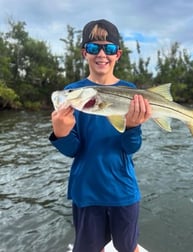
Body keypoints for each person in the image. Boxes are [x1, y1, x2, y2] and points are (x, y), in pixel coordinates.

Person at [49, 19, 152, 252]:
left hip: (123, 189)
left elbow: (131, 147)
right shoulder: (73, 92)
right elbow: (73, 150)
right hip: (87, 191)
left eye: (110, 48)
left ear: (118, 54)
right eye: (94, 48)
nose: (102, 54)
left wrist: (133, 127)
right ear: (85, 53)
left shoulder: (130, 90)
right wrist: (61, 132)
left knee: (127, 247)